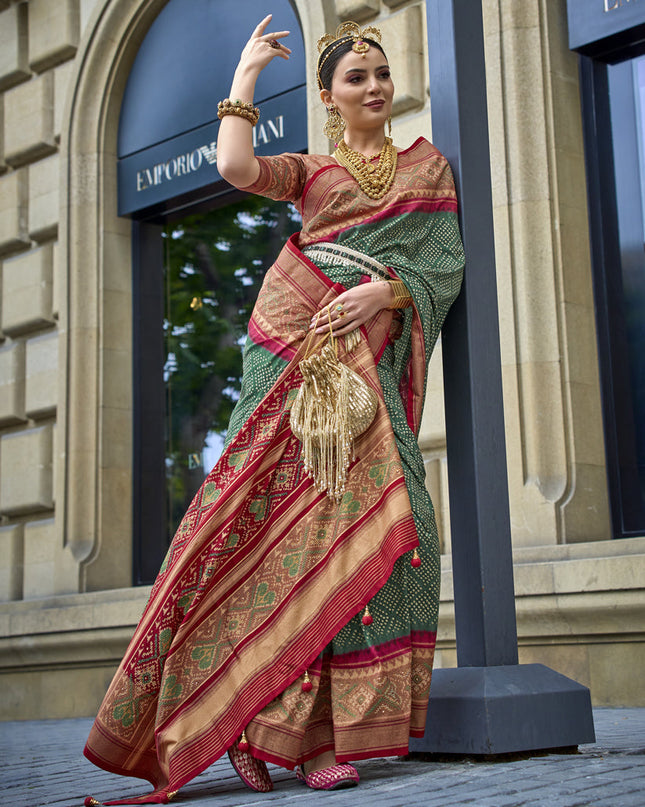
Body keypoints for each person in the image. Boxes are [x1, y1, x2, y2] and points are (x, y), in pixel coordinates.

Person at [83, 15, 465, 806]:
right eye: (355, 78)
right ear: (328, 96)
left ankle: (299, 725)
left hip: (366, 359)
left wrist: (387, 291)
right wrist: (246, 76)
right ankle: (274, 732)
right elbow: (232, 165)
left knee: (398, 528)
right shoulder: (313, 170)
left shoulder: (428, 167)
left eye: (381, 74)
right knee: (272, 530)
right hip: (294, 349)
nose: (374, 87)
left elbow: (443, 260)